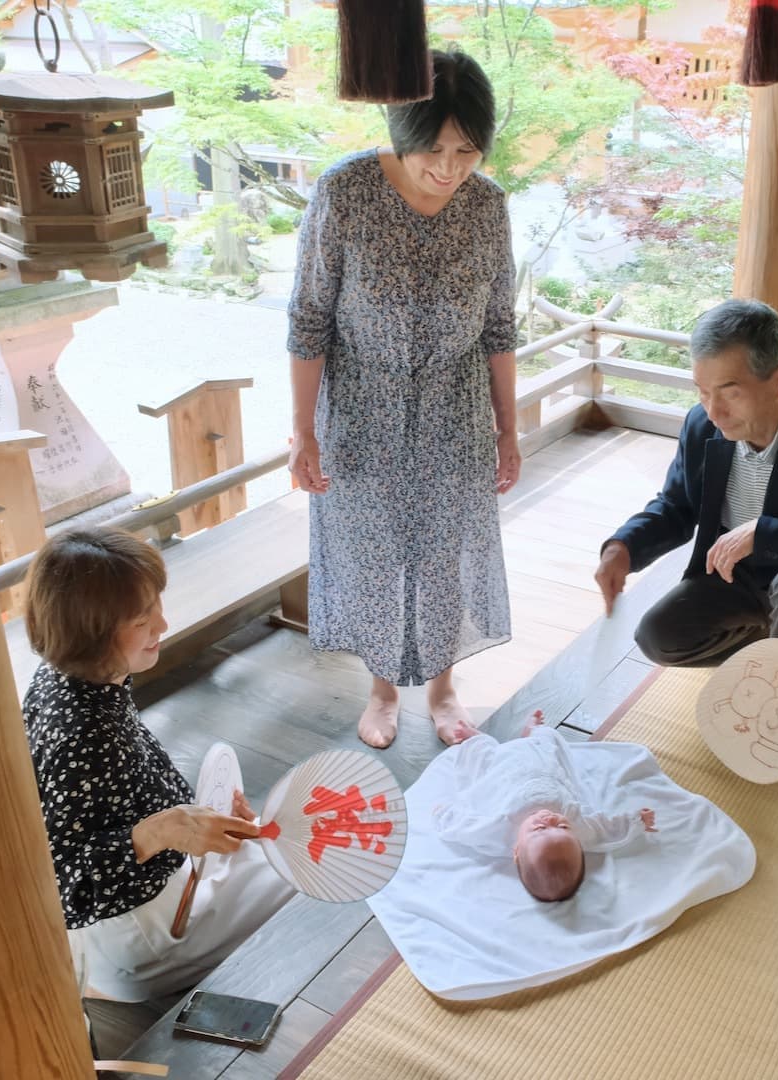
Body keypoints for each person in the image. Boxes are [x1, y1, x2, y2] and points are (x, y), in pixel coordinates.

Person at [287, 48, 519, 751]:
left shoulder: (488, 207)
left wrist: (508, 430)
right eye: (433, 150)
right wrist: (303, 430)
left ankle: (444, 690)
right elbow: (308, 319)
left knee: (444, 549)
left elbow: (498, 326)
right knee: (373, 552)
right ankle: (383, 690)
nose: (449, 168)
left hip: (455, 409)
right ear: (400, 133)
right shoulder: (345, 193)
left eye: (467, 150)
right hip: (360, 406)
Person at [23, 528, 294, 1002]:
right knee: (306, 867)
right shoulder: (81, 735)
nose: (163, 625)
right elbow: (61, 888)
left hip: (162, 886)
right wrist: (161, 832)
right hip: (143, 930)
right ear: (93, 629)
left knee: (286, 838)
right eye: (142, 618)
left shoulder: (75, 673)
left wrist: (196, 816)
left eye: (157, 607)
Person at [595, 298, 778, 665]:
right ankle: (770, 639)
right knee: (657, 638)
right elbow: (676, 506)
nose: (714, 411)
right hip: (733, 575)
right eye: (702, 391)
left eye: (730, 391)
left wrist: (765, 536)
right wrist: (623, 547)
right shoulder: (702, 424)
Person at [433, 714, 657, 902]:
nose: (550, 820)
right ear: (578, 840)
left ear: (517, 851)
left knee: (482, 755)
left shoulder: (500, 829)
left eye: (539, 829)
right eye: (562, 826)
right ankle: (532, 730)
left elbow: (467, 828)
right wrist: (635, 821)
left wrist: (445, 815)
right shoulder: (579, 827)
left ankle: (476, 738)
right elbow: (604, 830)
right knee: (550, 740)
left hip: (504, 769)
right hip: (544, 764)